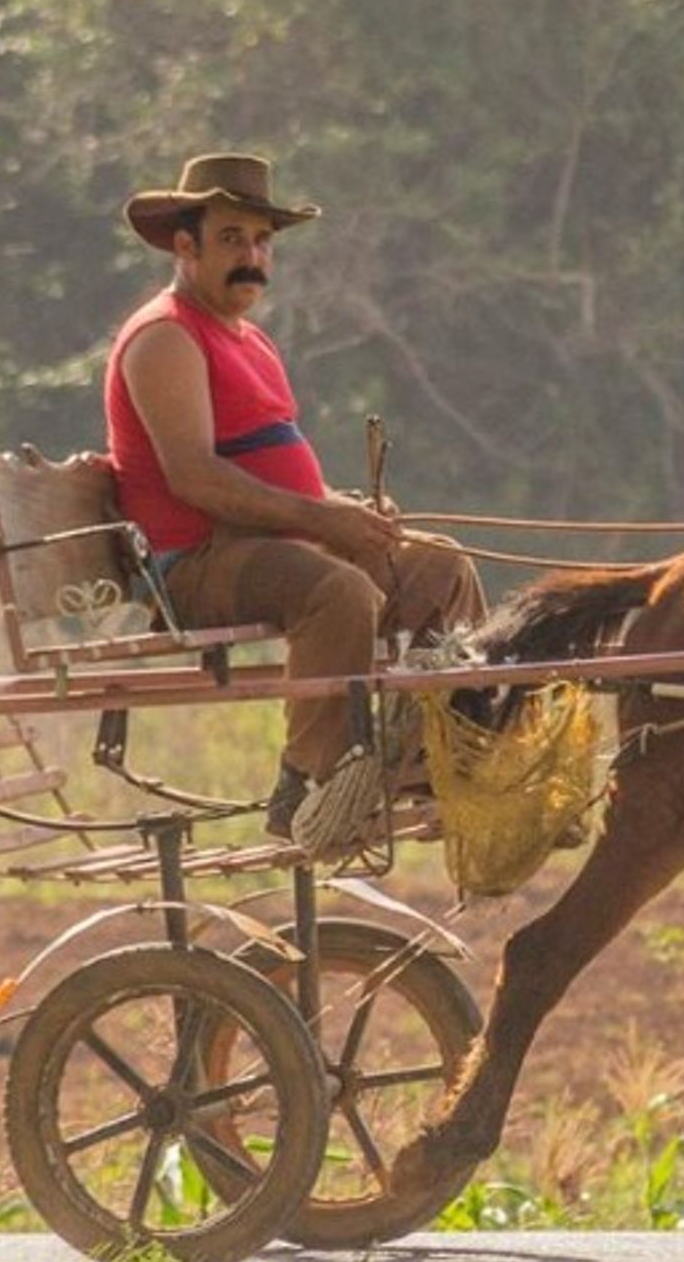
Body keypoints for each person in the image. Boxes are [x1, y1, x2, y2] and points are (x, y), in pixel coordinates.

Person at [102, 153, 485, 847]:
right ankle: (309, 785)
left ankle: (440, 753)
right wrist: (322, 520)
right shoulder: (165, 338)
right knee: (338, 591)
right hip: (194, 561)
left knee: (440, 567)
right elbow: (196, 479)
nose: (252, 258)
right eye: (231, 241)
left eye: (261, 242)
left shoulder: (249, 339)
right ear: (184, 246)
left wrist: (343, 510)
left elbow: (273, 472)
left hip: (270, 543)